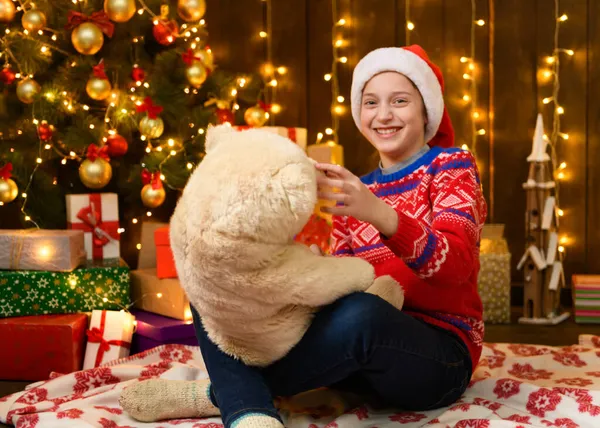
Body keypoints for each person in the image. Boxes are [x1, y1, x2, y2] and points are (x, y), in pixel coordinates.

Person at [120, 45, 487, 428]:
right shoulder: (355, 187)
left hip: (438, 359)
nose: (384, 115)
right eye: (371, 102)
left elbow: (456, 266)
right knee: (215, 277)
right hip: (361, 361)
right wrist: (313, 268)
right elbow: (349, 284)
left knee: (365, 315)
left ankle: (229, 396)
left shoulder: (450, 166)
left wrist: (377, 212)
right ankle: (245, 404)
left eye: (400, 101)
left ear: (426, 108)